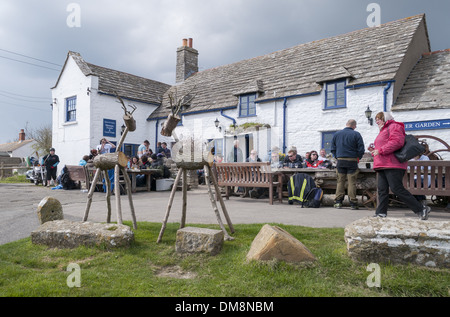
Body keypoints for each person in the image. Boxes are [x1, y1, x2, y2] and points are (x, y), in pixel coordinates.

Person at [369, 112, 431, 220]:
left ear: (385, 118)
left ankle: (421, 209)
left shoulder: (394, 126)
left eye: (379, 118)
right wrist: (374, 151)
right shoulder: (383, 130)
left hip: (393, 164)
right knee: (382, 190)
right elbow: (385, 145)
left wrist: (381, 150)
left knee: (397, 189)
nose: (377, 121)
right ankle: (381, 213)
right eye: (376, 119)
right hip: (383, 164)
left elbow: (397, 142)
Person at [331, 119, 365, 209]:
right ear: (353, 125)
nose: (356, 127)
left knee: (340, 182)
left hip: (341, 161)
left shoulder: (337, 134)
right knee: (352, 182)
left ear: (346, 124)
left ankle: (338, 202)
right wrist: (358, 157)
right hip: (352, 161)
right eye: (355, 126)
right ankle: (353, 203)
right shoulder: (356, 134)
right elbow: (361, 149)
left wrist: (337, 156)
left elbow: (332, 148)